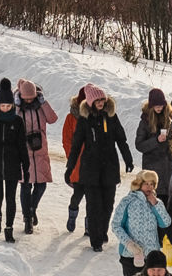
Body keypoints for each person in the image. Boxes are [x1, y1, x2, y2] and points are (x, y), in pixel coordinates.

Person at [70, 85, 133, 253]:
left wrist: (128, 159)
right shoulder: (84, 120)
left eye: (102, 99)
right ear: (90, 102)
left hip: (109, 167)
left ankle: (102, 231)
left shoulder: (111, 117)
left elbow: (121, 140)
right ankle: (95, 239)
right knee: (94, 205)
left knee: (108, 204)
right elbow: (76, 146)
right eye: (97, 100)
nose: (100, 103)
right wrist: (70, 168)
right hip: (90, 169)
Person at [0, 78, 32, 243]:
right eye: (2, 106)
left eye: (8, 106)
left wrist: (26, 166)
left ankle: (8, 229)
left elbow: (22, 145)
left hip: (12, 164)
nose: (5, 109)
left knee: (11, 199)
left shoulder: (17, 121)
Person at [15, 78, 58, 232]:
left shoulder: (40, 106)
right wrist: (17, 106)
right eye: (25, 98)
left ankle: (32, 209)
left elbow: (53, 119)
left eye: (31, 98)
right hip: (23, 152)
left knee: (41, 185)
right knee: (25, 186)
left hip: (40, 151)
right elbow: (10, 121)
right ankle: (27, 219)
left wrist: (44, 103)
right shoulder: (18, 107)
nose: (28, 100)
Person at [115, 169, 172, 273]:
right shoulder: (127, 201)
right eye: (146, 183)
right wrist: (129, 244)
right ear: (138, 184)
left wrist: (156, 204)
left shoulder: (157, 202)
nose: (149, 187)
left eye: (152, 184)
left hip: (152, 256)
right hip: (130, 255)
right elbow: (116, 225)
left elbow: (166, 222)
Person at [137, 88, 172, 185]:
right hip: (152, 167)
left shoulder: (170, 118)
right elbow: (139, 145)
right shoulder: (145, 122)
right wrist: (156, 140)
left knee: (168, 196)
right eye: (156, 106)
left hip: (168, 165)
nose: (159, 108)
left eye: (161, 105)